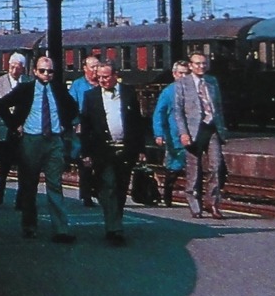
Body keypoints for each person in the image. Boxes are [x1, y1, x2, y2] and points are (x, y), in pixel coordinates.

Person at [0, 55, 81, 242]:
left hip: (54, 140)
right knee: (29, 185)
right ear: (35, 72)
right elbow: (0, 105)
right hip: (31, 140)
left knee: (55, 184)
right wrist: (14, 125)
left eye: (50, 71)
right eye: (42, 71)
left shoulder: (58, 90)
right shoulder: (26, 89)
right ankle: (29, 225)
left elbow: (73, 107)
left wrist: (66, 124)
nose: (46, 74)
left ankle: (61, 229)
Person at [80, 62, 146, 246]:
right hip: (103, 149)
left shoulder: (128, 92)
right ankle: (114, 227)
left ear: (115, 75)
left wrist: (141, 149)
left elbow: (137, 122)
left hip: (125, 149)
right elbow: (86, 127)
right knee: (108, 185)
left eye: (106, 77)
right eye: (99, 77)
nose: (102, 80)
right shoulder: (90, 96)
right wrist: (85, 152)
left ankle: (115, 221)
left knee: (121, 188)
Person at [172, 51, 227, 219]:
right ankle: (195, 204)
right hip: (193, 131)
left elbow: (218, 106)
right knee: (194, 170)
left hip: (212, 129)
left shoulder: (212, 82)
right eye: (197, 64)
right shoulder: (182, 84)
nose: (201, 66)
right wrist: (183, 133)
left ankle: (213, 203)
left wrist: (222, 128)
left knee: (216, 167)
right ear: (190, 65)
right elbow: (179, 111)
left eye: (204, 63)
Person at [0, 53, 28, 206]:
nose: (14, 70)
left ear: (23, 68)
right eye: (12, 67)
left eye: (18, 67)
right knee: (4, 165)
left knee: (23, 165)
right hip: (4, 129)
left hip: (23, 130)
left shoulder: (28, 82)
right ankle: (0, 194)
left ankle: (20, 199)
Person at [152, 60, 191, 208]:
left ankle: (195, 198)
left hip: (193, 135)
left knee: (194, 169)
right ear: (174, 74)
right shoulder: (168, 92)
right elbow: (159, 113)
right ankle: (167, 196)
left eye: (186, 73)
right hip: (175, 136)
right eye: (180, 73)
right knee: (174, 168)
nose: (183, 76)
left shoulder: (194, 90)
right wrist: (159, 133)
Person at [69, 54, 103, 208]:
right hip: (83, 128)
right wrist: (76, 123)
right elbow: (70, 106)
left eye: (97, 66)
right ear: (85, 69)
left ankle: (98, 191)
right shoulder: (77, 85)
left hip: (101, 128)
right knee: (85, 163)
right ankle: (86, 195)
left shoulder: (102, 83)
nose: (96, 70)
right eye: (93, 67)